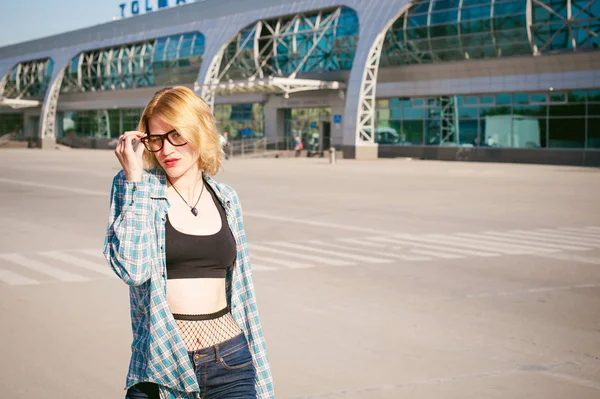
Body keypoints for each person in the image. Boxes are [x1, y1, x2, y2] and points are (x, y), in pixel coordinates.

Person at [103, 86, 275, 399]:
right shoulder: (136, 187)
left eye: (176, 135)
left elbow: (244, 294)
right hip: (163, 368)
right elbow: (133, 269)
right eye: (156, 138)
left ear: (199, 132)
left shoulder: (226, 198)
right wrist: (135, 181)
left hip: (231, 363)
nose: (166, 149)